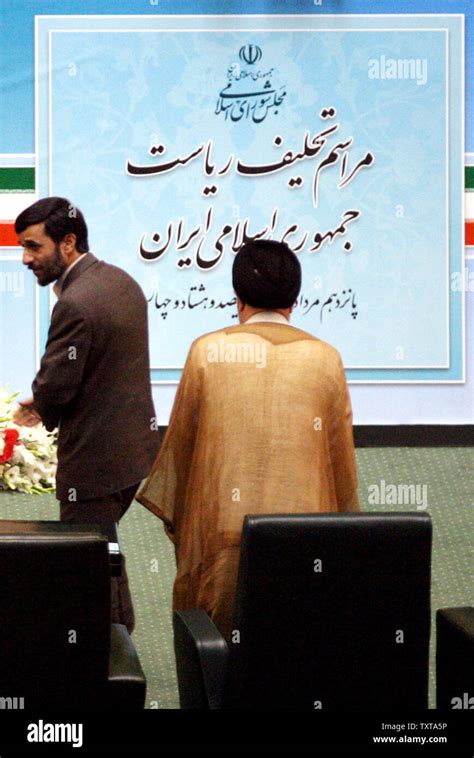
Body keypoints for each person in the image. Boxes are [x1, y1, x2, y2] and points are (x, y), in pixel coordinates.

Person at [136, 239, 360, 643]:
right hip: (306, 547)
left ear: (237, 298)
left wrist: (189, 527)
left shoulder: (207, 352)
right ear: (296, 298)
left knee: (220, 664)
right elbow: (340, 465)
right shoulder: (327, 358)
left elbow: (181, 455)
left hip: (222, 550)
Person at [13, 197, 159, 634]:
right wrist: (43, 402)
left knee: (85, 559)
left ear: (68, 242)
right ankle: (116, 644)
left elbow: (57, 381)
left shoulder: (75, 302)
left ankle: (105, 657)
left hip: (96, 461)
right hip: (132, 452)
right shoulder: (121, 281)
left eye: (34, 247)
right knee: (103, 547)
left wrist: (40, 404)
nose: (25, 258)